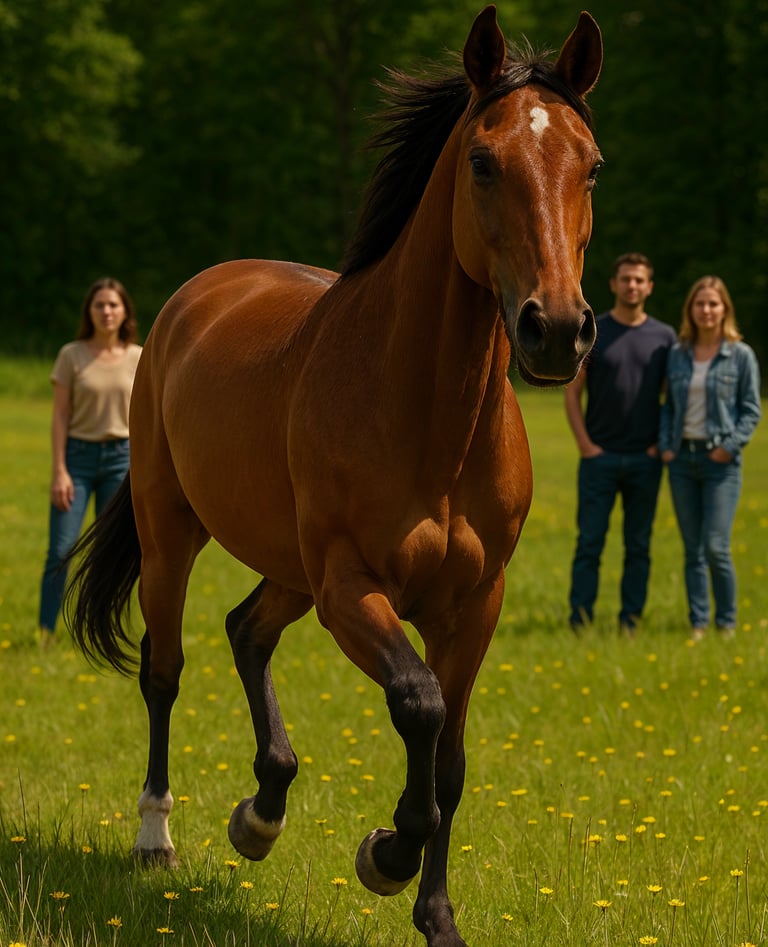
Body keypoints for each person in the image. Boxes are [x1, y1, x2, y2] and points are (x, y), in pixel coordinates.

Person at [565, 252, 677, 635]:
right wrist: (585, 446)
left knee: (638, 547)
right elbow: (572, 394)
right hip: (599, 459)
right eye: (626, 279)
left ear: (649, 287)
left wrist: (657, 445)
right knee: (589, 544)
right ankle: (579, 620)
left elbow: (671, 398)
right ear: (614, 285)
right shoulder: (595, 331)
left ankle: (630, 620)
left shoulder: (664, 338)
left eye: (639, 280)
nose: (632, 285)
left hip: (646, 460)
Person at [38, 277, 141, 647]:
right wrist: (59, 470)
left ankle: (99, 631)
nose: (107, 311)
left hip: (123, 461)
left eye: (113, 304)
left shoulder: (139, 357)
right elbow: (60, 416)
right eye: (99, 305)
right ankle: (46, 632)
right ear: (89, 311)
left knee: (112, 555)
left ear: (125, 311)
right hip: (77, 461)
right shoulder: (72, 355)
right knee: (61, 550)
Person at [659, 276, 761, 639]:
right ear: (691, 309)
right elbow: (669, 407)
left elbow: (751, 411)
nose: (706, 310)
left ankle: (727, 623)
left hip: (721, 464)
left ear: (724, 310)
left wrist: (728, 446)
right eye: (700, 303)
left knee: (716, 546)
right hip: (682, 461)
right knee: (693, 550)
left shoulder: (741, 355)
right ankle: (699, 623)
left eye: (713, 304)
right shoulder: (678, 353)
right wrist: (667, 445)